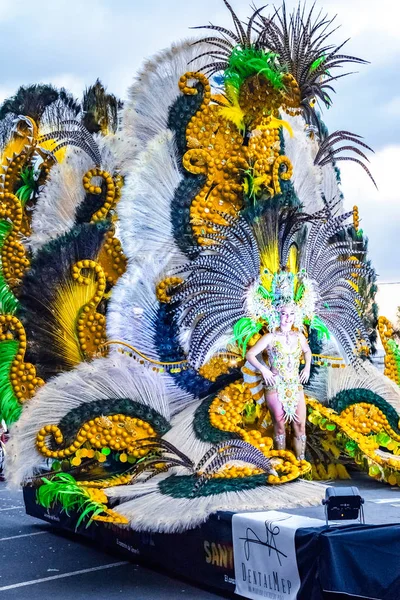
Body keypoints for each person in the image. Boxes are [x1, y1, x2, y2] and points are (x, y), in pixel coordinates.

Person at [244, 304, 312, 460]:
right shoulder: (270, 337)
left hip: (295, 385)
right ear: (277, 316)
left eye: (291, 314)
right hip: (275, 385)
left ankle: (300, 463)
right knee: (280, 426)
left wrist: (307, 367)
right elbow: (250, 354)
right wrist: (264, 370)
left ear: (296, 316)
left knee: (300, 426)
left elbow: (307, 351)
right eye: (284, 313)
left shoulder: (299, 336)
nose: (288, 317)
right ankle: (282, 463)